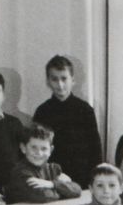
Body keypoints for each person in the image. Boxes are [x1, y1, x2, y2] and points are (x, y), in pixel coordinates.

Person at [32, 54, 104, 188]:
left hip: (81, 179)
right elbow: (35, 149)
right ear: (48, 81)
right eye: (54, 79)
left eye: (64, 79)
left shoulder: (85, 110)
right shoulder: (42, 112)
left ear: (73, 80)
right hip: (50, 179)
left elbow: (95, 149)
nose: (60, 85)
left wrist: (95, 179)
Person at [5, 123, 83, 204]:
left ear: (51, 150)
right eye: (33, 147)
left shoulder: (53, 168)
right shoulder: (20, 172)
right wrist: (63, 187)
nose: (39, 153)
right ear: (23, 148)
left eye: (44, 148)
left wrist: (52, 184)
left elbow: (77, 190)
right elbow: (44, 196)